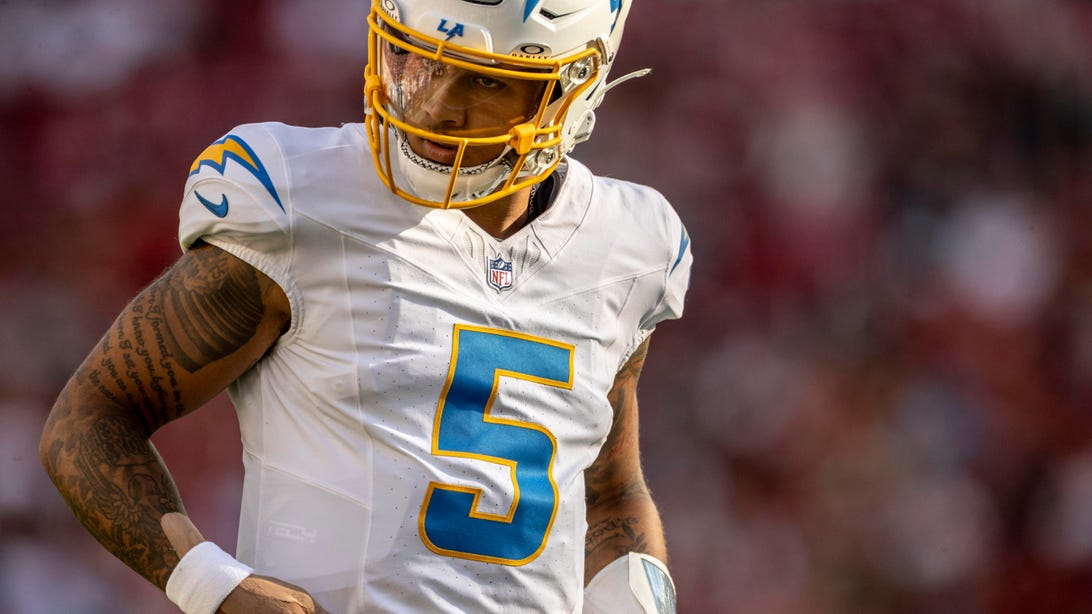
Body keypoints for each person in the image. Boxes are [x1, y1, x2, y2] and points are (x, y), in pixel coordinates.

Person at [39, 0, 692, 611]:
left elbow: (607, 492)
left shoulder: (628, 245)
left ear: (570, 89)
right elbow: (90, 418)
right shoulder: (302, 203)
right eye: (419, 58)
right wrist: (210, 584)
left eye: (485, 81)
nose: (436, 105)